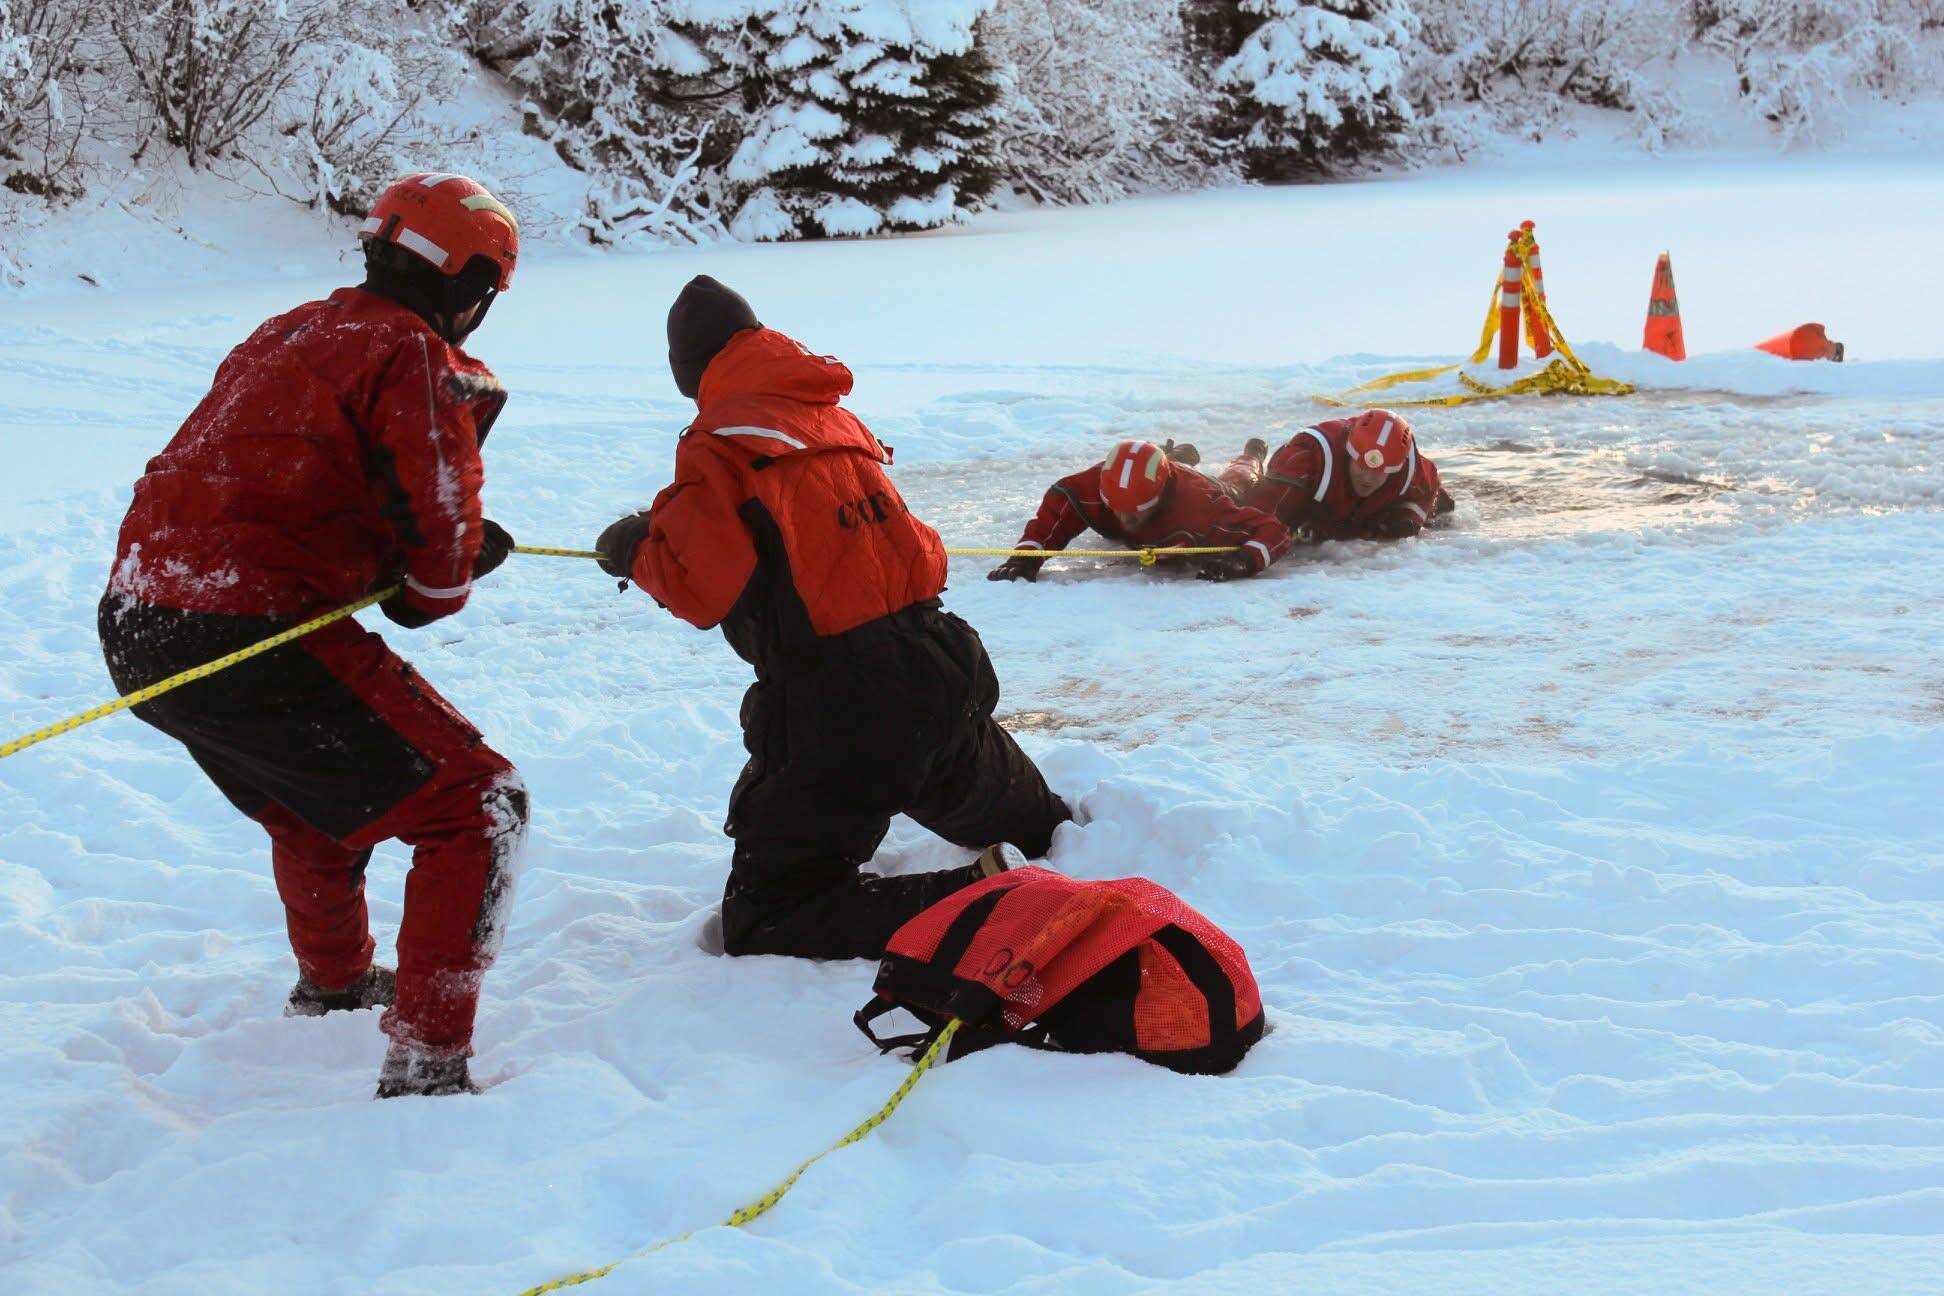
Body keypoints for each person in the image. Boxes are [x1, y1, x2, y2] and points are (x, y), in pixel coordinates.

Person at [97, 173, 527, 1099]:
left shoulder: (293, 329)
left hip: (137, 621)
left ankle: (334, 986)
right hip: (247, 627)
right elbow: (439, 550)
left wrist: (384, 559)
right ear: (470, 281)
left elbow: (275, 483)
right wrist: (431, 581)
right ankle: (427, 1061)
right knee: (479, 806)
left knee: (313, 795)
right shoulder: (414, 352)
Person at [595, 276, 1070, 961]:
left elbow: (699, 590)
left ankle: (982, 899)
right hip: (940, 666)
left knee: (771, 915)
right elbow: (904, 543)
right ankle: (1053, 851)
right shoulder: (835, 422)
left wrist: (635, 548)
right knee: (1043, 826)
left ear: (689, 373)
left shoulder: (718, 442)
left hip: (843, 710)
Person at [987, 439, 1294, 583]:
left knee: (1239, 480)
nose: (1124, 521)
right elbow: (1052, 518)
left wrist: (1246, 559)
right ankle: (1171, 453)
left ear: (1159, 499)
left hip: (1204, 485)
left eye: (1135, 515)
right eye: (1115, 511)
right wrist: (1025, 557)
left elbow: (1273, 530)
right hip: (1165, 473)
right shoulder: (1087, 486)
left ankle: (1251, 453)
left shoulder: (1202, 504)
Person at [1218, 408, 1453, 542]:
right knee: (1237, 491)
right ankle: (1252, 455)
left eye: (1379, 473)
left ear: (1394, 470)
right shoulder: (1306, 459)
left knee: (1445, 507)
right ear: (1347, 453)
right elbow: (1258, 515)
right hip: (1296, 495)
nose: (1368, 478)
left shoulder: (1411, 470)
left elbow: (1428, 489)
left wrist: (1407, 521)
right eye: (1361, 466)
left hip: (1350, 514)